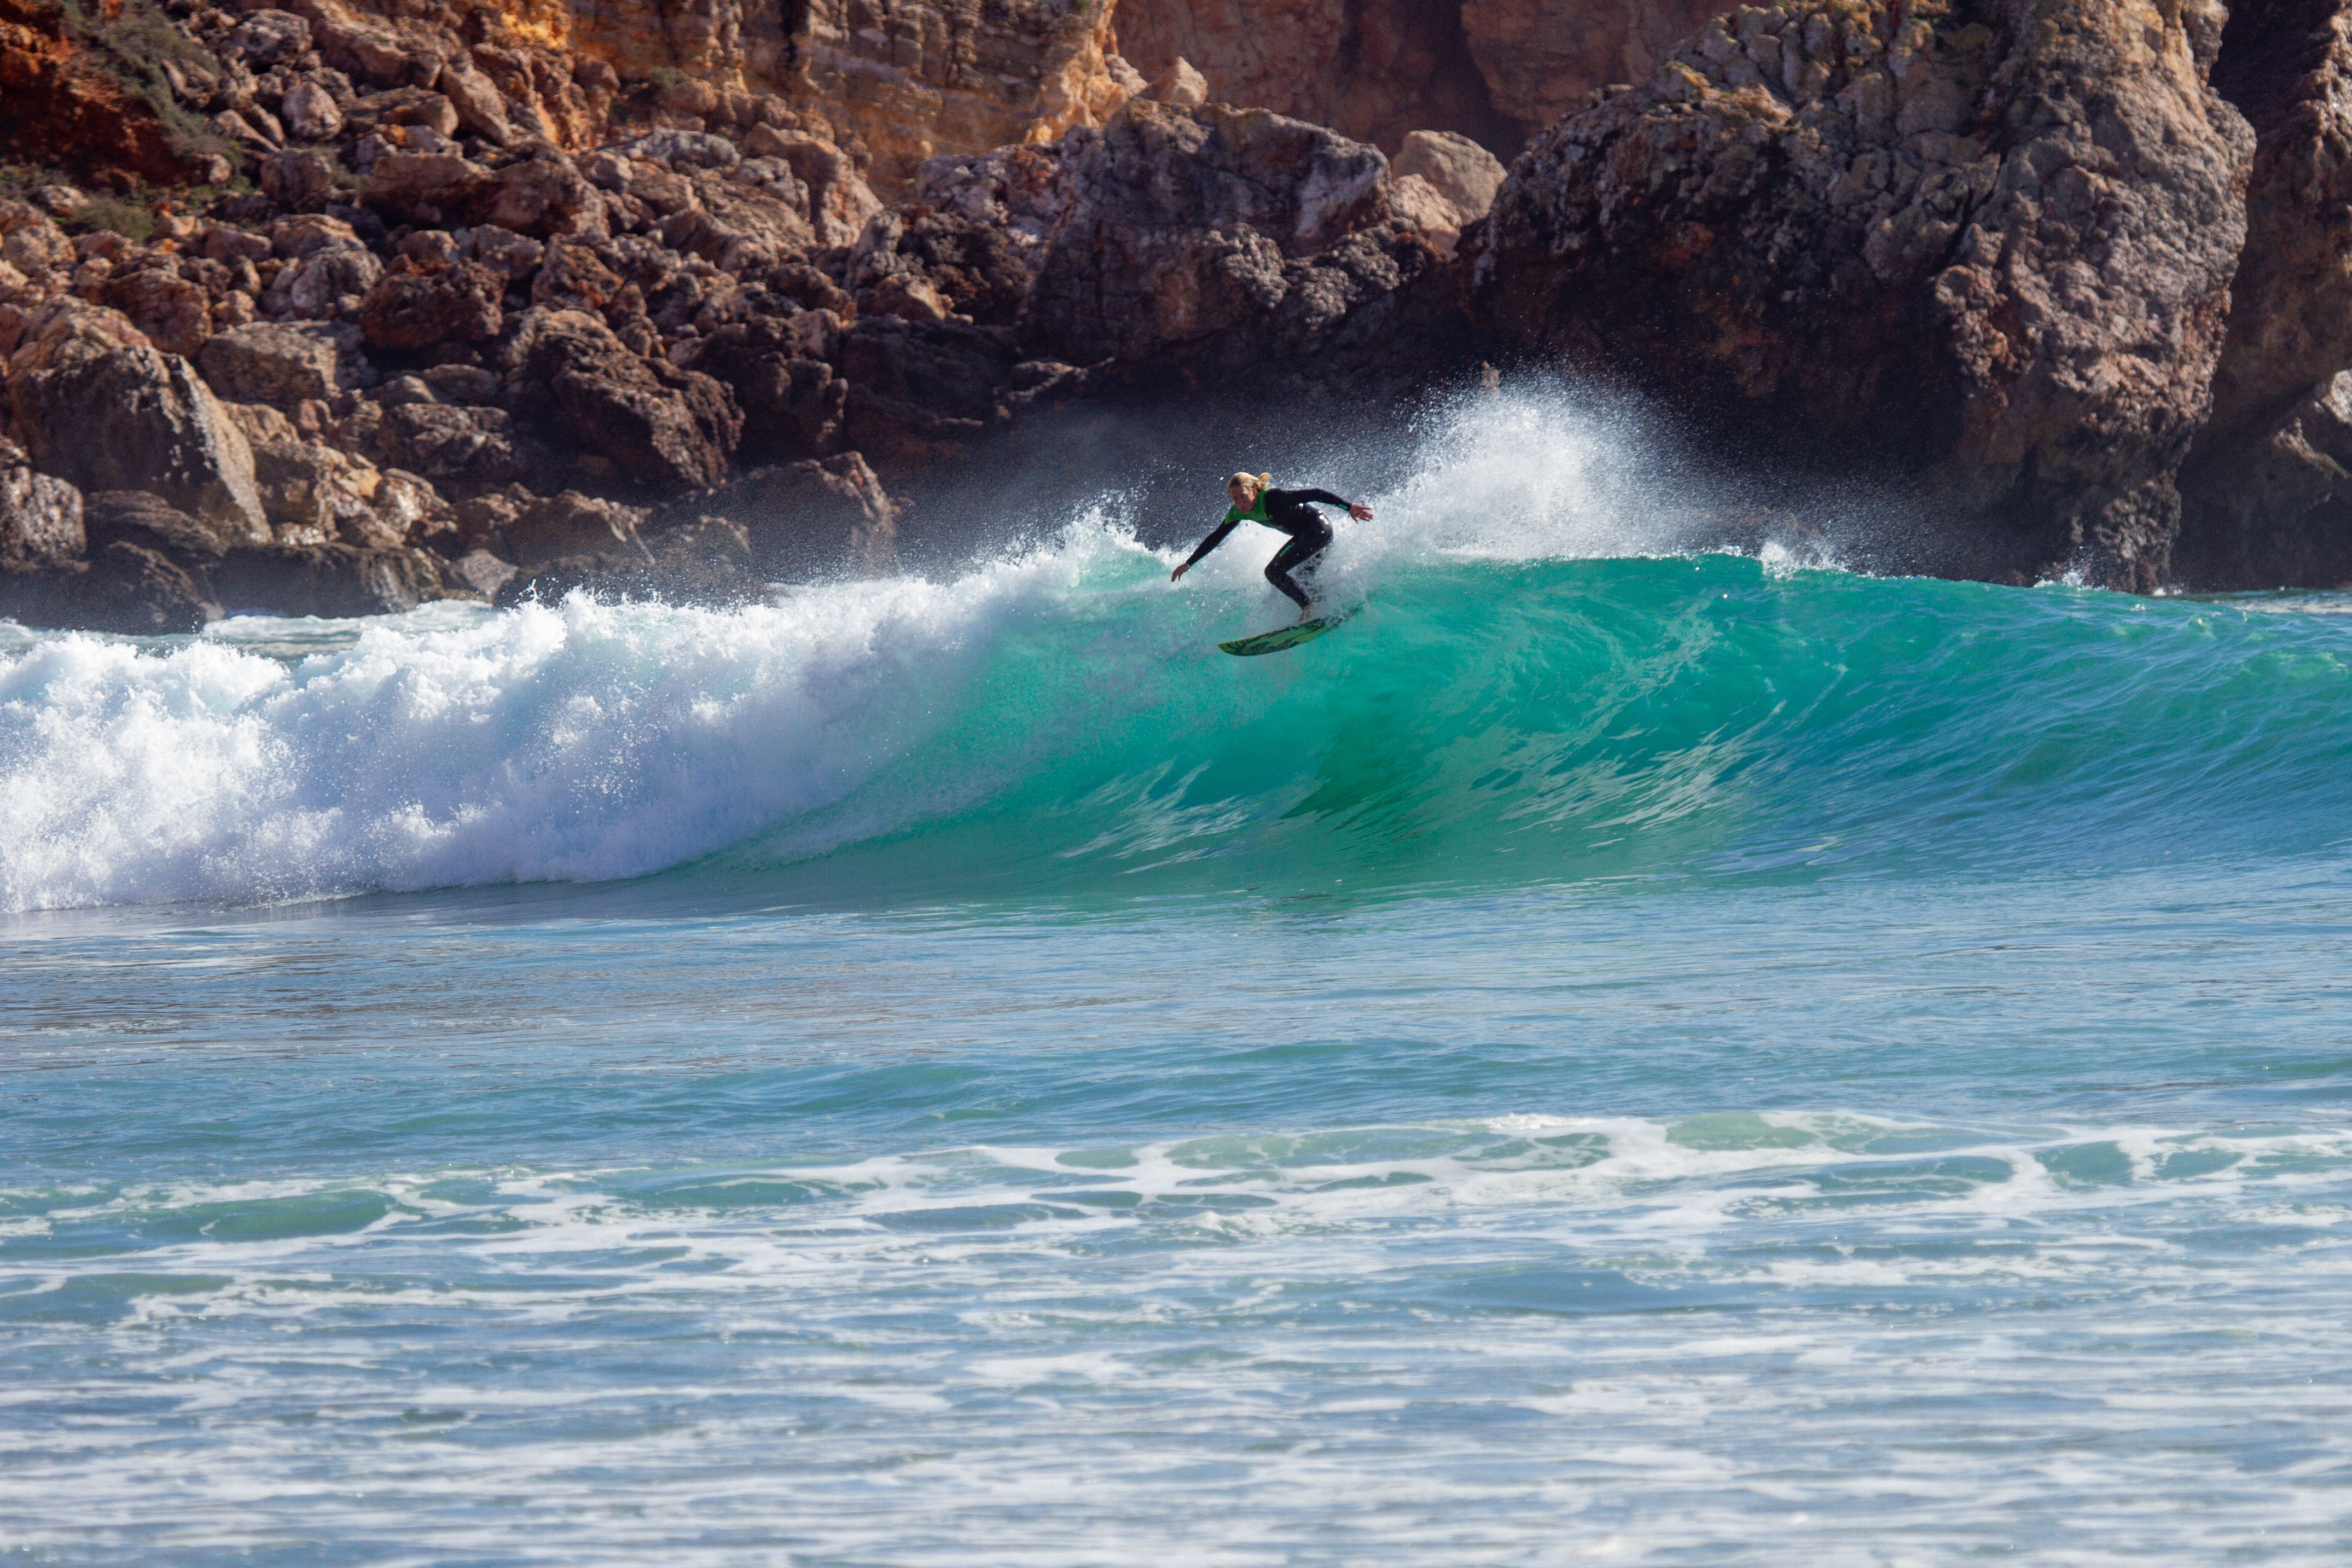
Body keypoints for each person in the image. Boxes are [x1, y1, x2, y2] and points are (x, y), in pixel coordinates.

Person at [1170, 472, 1374, 623]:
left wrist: (1348, 507)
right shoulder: (1239, 512)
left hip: (1317, 530)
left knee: (1273, 572)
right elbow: (1216, 537)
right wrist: (1189, 563)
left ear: (1254, 491)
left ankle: (1309, 609)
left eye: (1242, 496)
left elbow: (1316, 493)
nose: (1239, 503)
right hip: (1310, 537)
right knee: (1305, 581)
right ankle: (1336, 603)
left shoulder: (1273, 498)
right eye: (1234, 498)